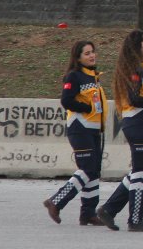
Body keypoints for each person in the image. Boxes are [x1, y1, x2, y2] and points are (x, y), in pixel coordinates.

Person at [97, 30, 143, 232]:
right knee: (142, 173)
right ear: (137, 47)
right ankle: (135, 219)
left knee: (138, 171)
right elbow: (134, 98)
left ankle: (108, 210)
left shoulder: (142, 69)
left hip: (141, 123)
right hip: (137, 123)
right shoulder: (135, 71)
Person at [42, 40, 107, 226]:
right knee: (87, 169)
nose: (92, 55)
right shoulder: (74, 76)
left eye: (93, 52)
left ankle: (88, 213)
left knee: (94, 172)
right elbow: (67, 101)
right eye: (87, 53)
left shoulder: (93, 76)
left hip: (95, 129)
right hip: (80, 128)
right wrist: (86, 107)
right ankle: (56, 201)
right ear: (78, 57)